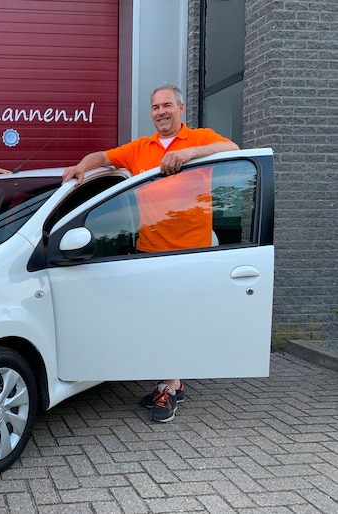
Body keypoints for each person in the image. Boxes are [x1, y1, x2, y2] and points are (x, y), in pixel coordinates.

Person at [62, 84, 239, 423]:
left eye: (167, 105)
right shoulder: (141, 148)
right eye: (156, 107)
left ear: (181, 109)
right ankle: (174, 382)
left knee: (172, 321)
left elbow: (232, 148)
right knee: (156, 321)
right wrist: (82, 166)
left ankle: (167, 388)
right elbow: (103, 157)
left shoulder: (199, 138)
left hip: (189, 253)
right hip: (150, 252)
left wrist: (188, 154)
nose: (161, 112)